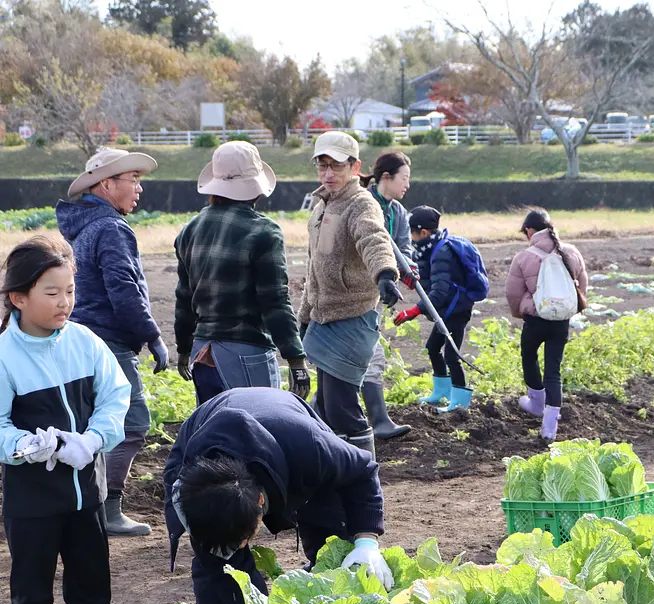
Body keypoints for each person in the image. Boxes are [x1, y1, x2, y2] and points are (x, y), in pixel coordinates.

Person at [0, 236, 130, 604]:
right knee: (32, 591)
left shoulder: (84, 341)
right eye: (52, 293)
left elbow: (116, 396)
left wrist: (93, 440)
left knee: (92, 584)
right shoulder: (4, 355)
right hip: (32, 500)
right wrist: (21, 446)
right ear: (18, 298)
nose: (65, 303)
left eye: (70, 291)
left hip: (86, 495)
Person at [163, 387, 391, 604]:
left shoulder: (311, 448)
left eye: (243, 538)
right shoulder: (187, 490)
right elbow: (216, 553)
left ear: (260, 500)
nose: (242, 544)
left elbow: (362, 471)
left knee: (332, 538)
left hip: (285, 429)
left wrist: (366, 542)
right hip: (205, 427)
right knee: (220, 565)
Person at [57, 147, 166, 537]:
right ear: (107, 184)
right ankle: (108, 508)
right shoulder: (112, 228)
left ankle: (88, 503)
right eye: (132, 179)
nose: (138, 188)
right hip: (109, 342)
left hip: (82, 339)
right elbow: (123, 288)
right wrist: (152, 336)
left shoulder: (83, 225)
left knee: (92, 420)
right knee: (131, 422)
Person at [174, 141, 309, 407]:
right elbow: (275, 302)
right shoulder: (263, 233)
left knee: (216, 435)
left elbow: (184, 298)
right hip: (245, 353)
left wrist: (183, 349)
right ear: (255, 187)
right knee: (258, 433)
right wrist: (295, 358)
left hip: (202, 354)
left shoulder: (190, 230)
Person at [297, 132, 402, 452]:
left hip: (352, 316)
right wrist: (304, 315)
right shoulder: (321, 205)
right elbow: (315, 269)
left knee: (342, 407)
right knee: (324, 408)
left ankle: (365, 480)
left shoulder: (360, 203)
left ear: (355, 167)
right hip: (324, 317)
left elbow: (374, 239)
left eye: (337, 167)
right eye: (322, 166)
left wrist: (385, 273)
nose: (328, 174)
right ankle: (337, 475)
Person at [505, 209, 588, 440]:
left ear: (529, 231)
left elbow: (513, 293)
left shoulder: (524, 257)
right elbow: (582, 284)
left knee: (529, 355)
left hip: (536, 319)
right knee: (554, 371)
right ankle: (549, 429)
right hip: (561, 321)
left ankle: (536, 404)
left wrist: (521, 312)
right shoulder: (571, 251)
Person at [394, 206, 481, 413]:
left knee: (452, 355)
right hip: (447, 309)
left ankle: (460, 404)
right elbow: (429, 281)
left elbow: (439, 292)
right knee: (433, 348)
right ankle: (442, 392)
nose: (411, 239)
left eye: (412, 233)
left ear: (423, 232)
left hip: (457, 310)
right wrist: (411, 281)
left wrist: (414, 311)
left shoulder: (442, 252)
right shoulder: (429, 249)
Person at [358, 152, 417, 440]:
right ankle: (379, 420)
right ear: (386, 178)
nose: (407, 185)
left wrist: (406, 266)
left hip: (379, 294)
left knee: (359, 355)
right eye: (404, 178)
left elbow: (404, 248)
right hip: (357, 289)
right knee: (370, 353)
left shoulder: (400, 213)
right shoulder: (363, 203)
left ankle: (318, 415)